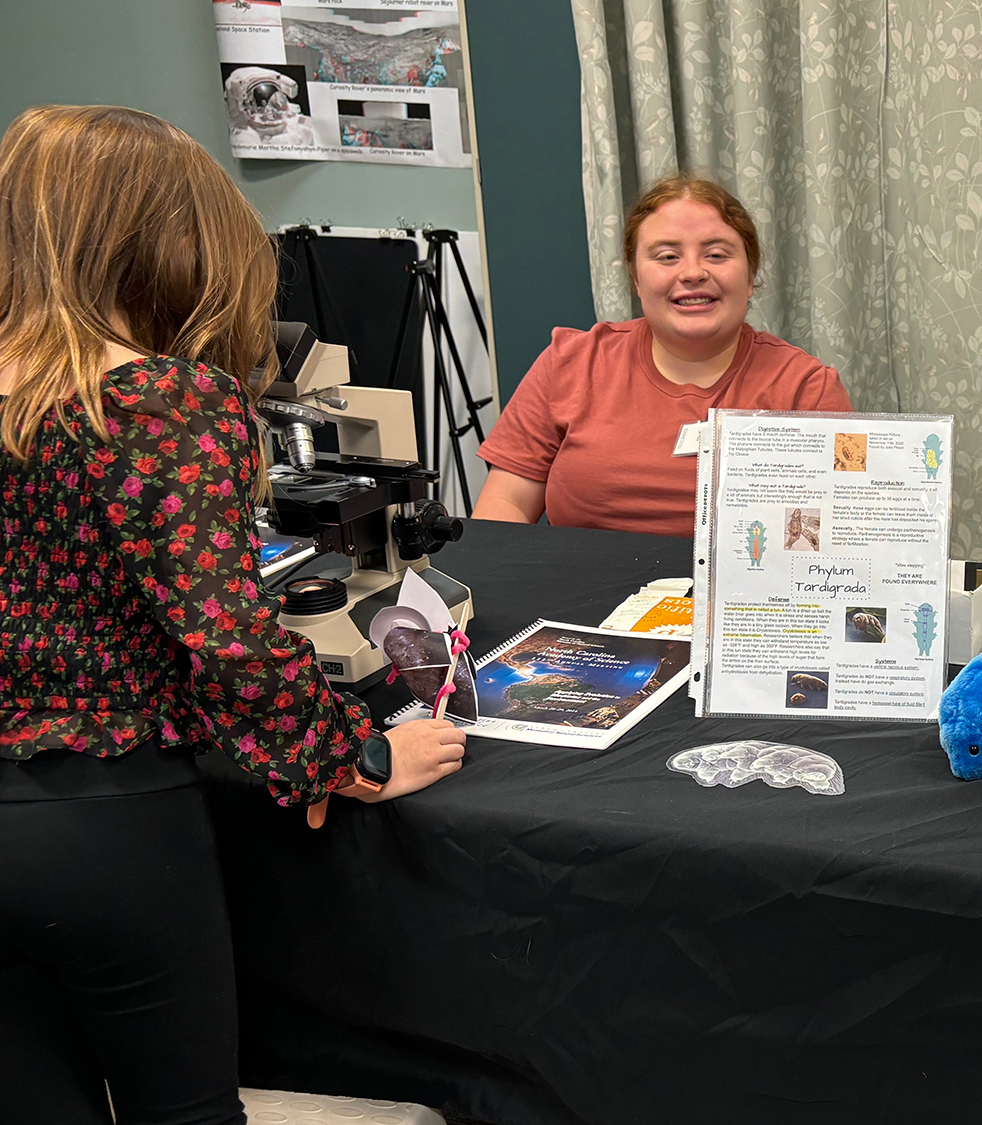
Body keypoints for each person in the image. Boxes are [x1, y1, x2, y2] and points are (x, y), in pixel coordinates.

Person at [0, 105, 466, 1125]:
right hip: (105, 822)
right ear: (164, 241)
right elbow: (228, 640)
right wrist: (353, 758)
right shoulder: (156, 400)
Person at [473, 175, 853, 537]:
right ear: (636, 279)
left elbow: (842, 530)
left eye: (716, 254)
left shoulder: (807, 389)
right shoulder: (571, 363)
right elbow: (506, 503)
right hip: (579, 582)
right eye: (668, 257)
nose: (693, 272)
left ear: (751, 275)